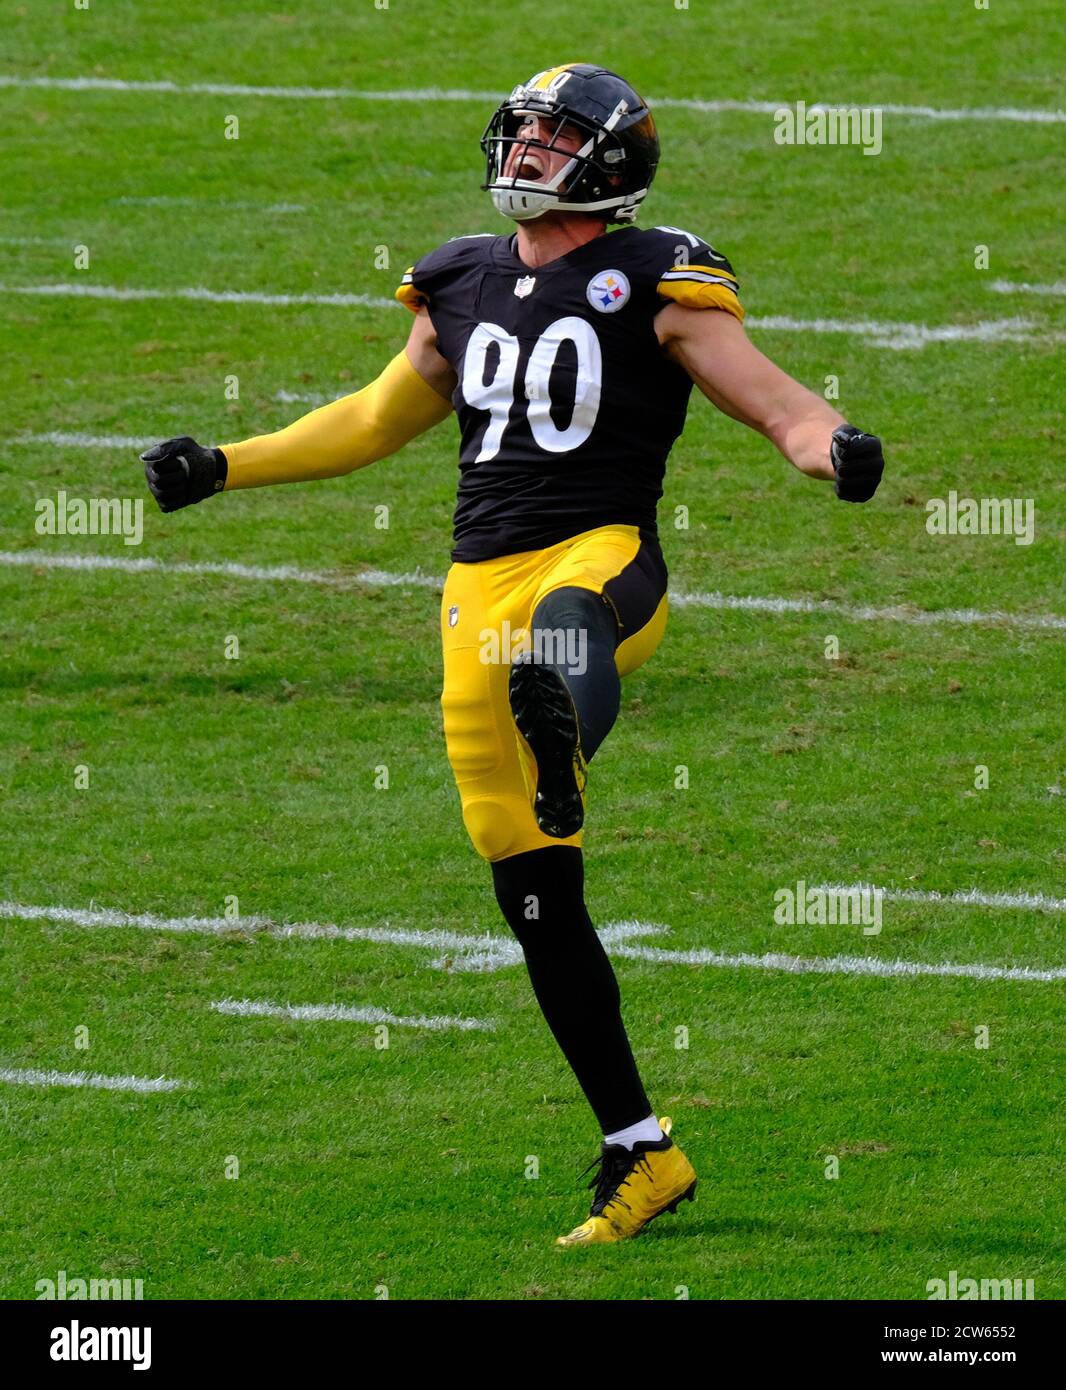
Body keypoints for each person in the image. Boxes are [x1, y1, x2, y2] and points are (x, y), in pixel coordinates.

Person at [141, 62, 885, 1247]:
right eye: (522, 135)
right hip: (473, 585)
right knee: (535, 891)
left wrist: (832, 445)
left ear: (607, 163)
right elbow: (375, 417)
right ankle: (641, 1149)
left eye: (549, 141)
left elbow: (773, 398)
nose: (525, 154)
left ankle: (565, 721)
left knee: (564, 630)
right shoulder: (463, 276)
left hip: (600, 556)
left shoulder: (657, 274)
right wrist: (227, 461)